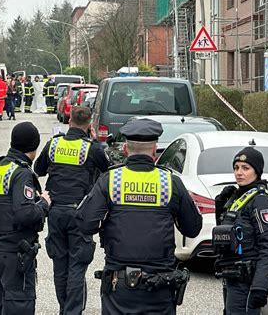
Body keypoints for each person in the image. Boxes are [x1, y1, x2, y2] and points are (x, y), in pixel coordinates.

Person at [76, 118, 202, 314]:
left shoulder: (111, 180)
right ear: (154, 151)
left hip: (120, 285)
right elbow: (193, 228)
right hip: (160, 285)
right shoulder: (170, 182)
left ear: (126, 149)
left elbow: (86, 224)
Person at [34, 106, 111, 314]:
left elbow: (38, 170)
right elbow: (108, 173)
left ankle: (64, 308)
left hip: (56, 212)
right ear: (89, 125)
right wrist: (95, 141)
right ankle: (72, 311)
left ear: (69, 121)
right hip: (79, 213)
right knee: (77, 265)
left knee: (60, 264)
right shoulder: (91, 148)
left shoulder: (53, 144)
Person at [0, 122, 51, 315]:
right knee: (18, 306)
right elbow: (25, 213)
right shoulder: (21, 173)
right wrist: (44, 204)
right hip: (17, 253)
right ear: (35, 146)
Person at [213, 147, 268, 314]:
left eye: (245, 168)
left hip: (247, 282)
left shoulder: (261, 201)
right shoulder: (239, 198)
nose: (239, 173)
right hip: (231, 277)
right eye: (236, 168)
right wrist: (220, 207)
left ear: (257, 171)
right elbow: (226, 237)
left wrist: (260, 285)